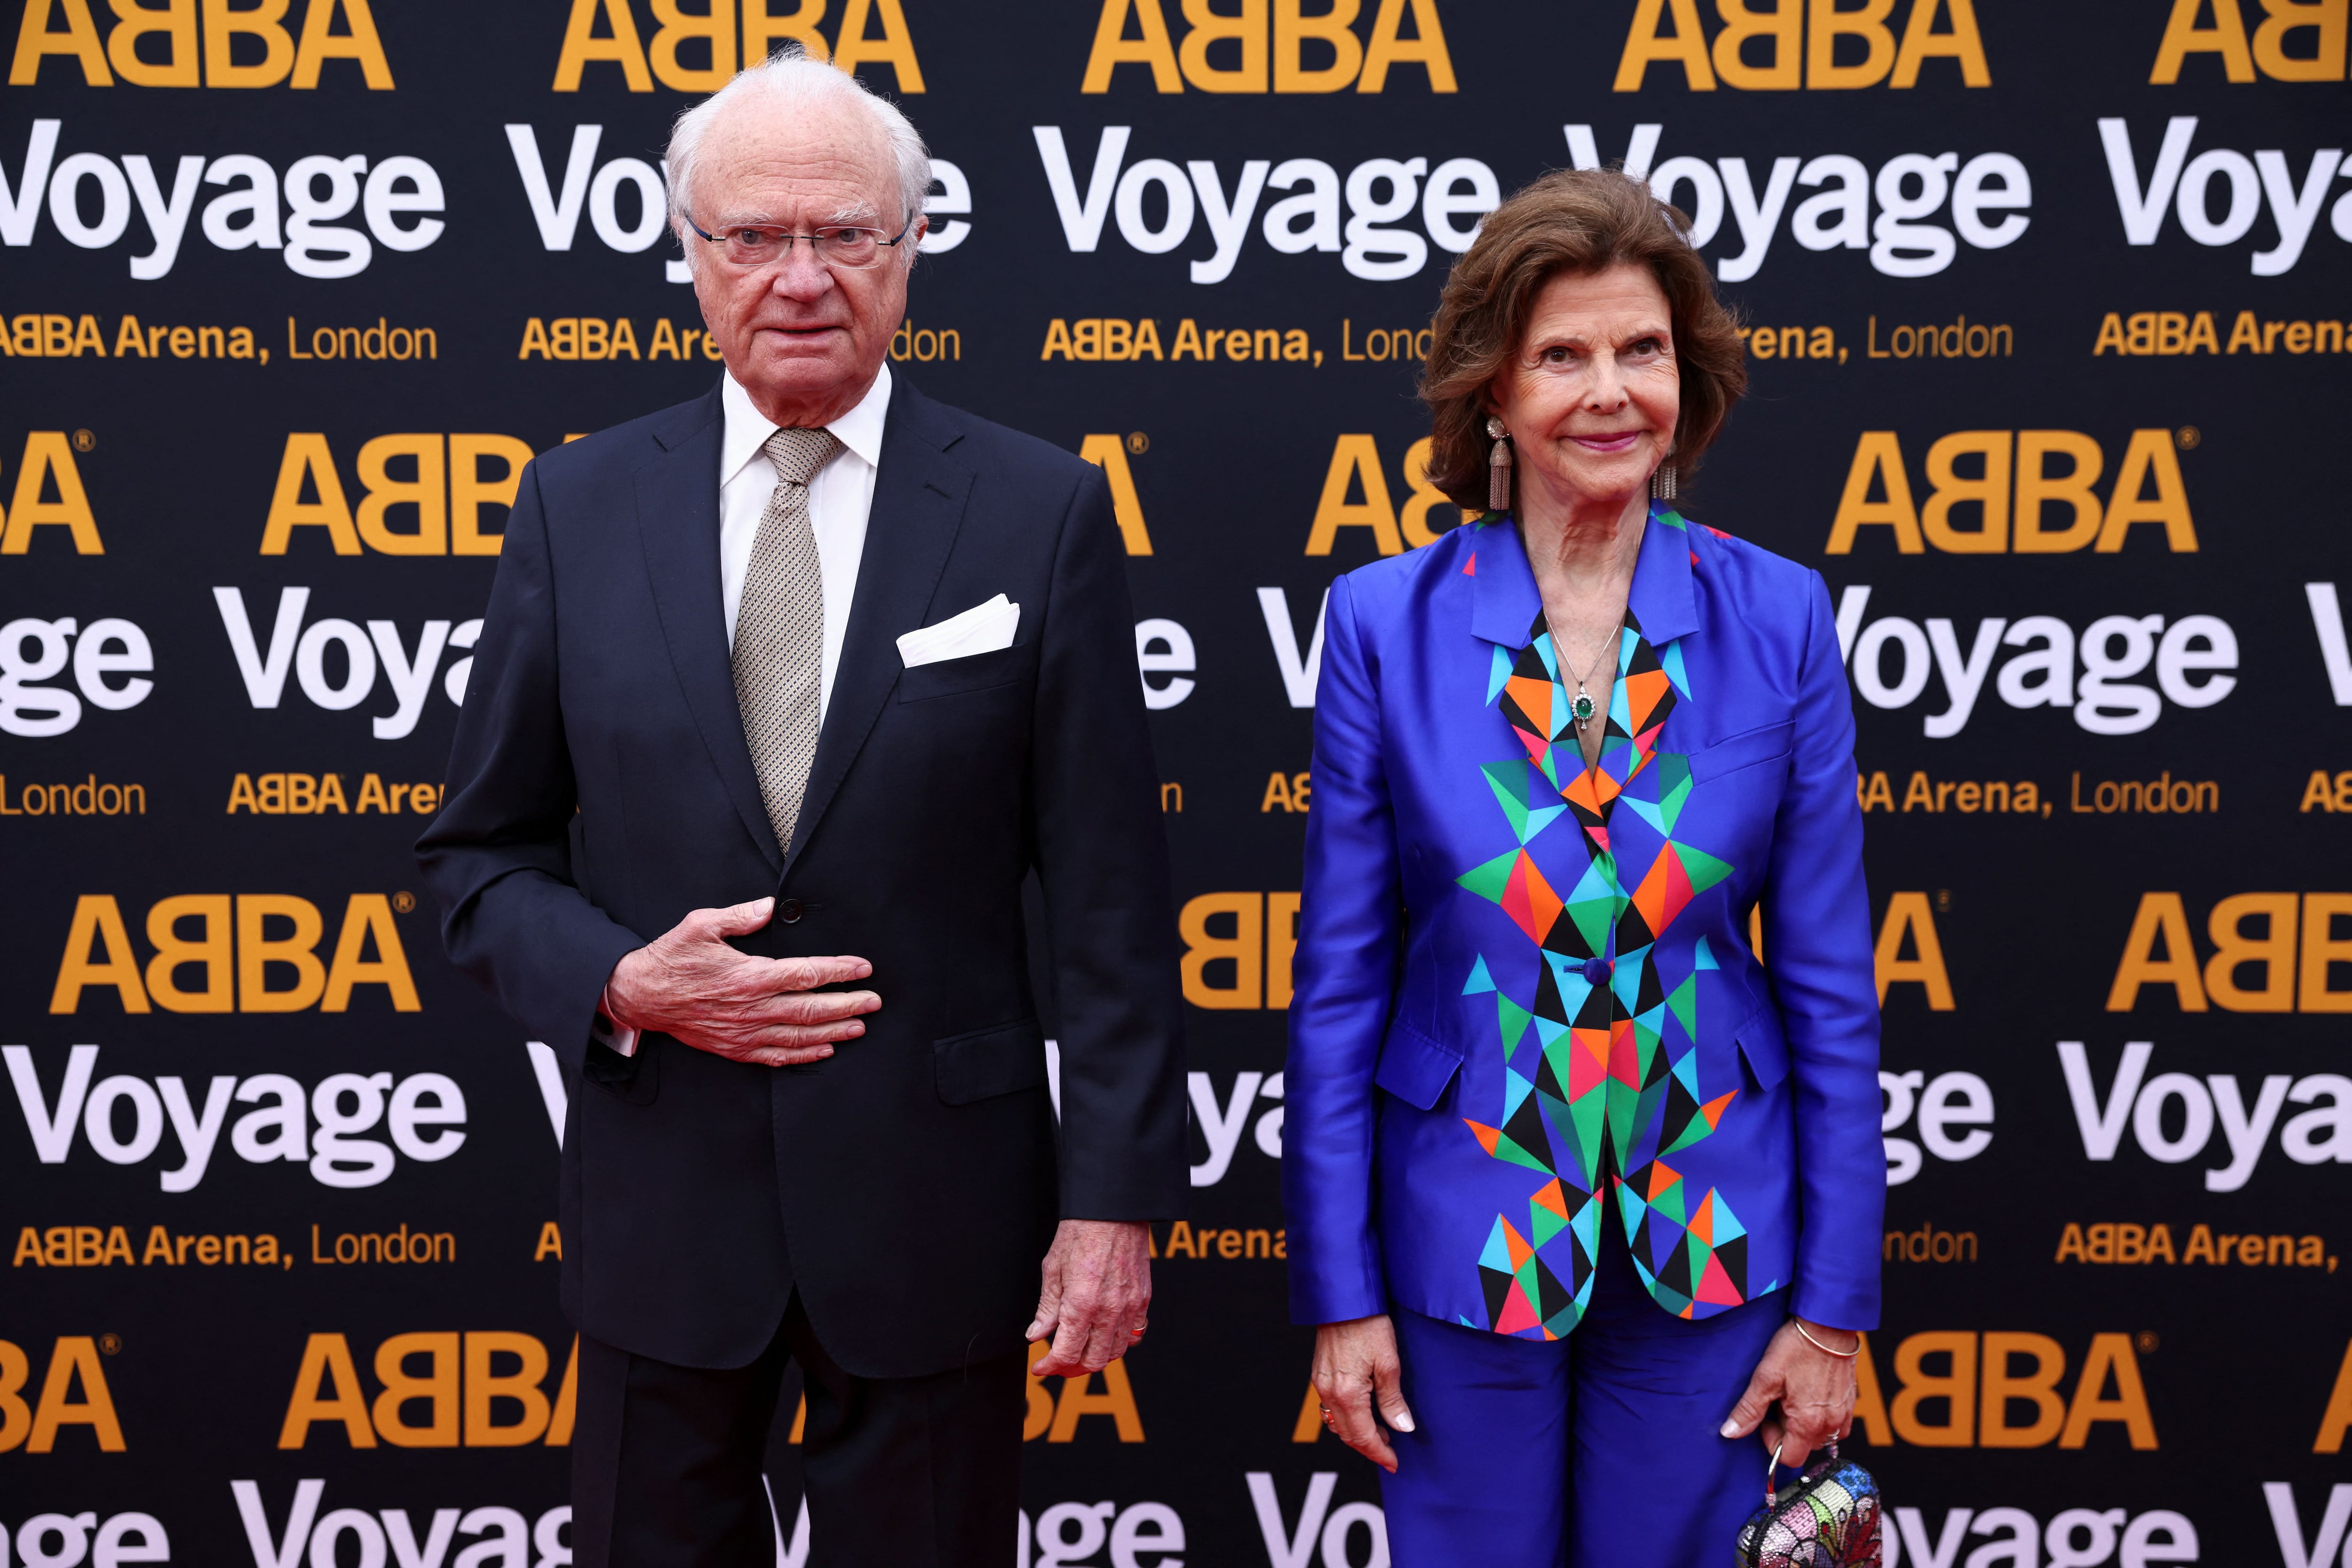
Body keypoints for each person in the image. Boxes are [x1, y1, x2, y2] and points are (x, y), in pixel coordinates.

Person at [416, 51, 1184, 1568]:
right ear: (690, 253)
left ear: (910, 248)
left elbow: (1112, 905)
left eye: (844, 233)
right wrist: (623, 980)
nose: (802, 277)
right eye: (755, 236)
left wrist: (1112, 1210)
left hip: (940, 1218)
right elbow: (477, 858)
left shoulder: (1040, 509)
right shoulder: (577, 508)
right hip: (662, 1217)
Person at [1283, 168, 1883, 1567]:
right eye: (1563, 355)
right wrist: (1341, 1294)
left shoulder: (1781, 615)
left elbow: (1831, 990)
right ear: (1494, 390)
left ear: (1687, 376)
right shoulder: (1382, 622)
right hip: (1462, 1230)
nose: (1612, 392)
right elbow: (1338, 988)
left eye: (1643, 351)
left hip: (1715, 1231)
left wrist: (1835, 1308)